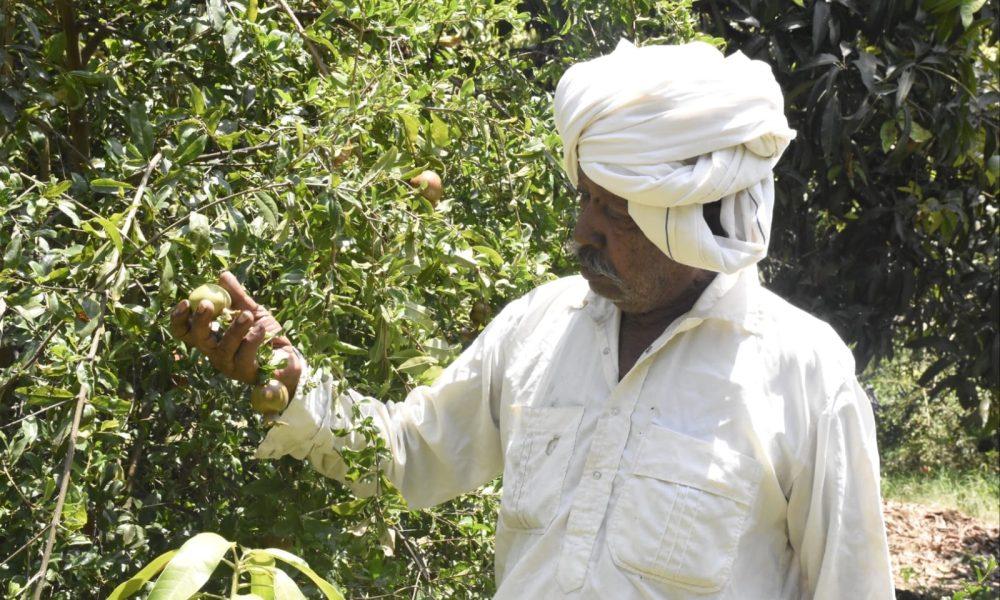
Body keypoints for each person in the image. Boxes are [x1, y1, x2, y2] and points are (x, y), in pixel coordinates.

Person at [170, 40, 894, 599]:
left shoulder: (800, 371)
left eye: (614, 211)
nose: (583, 232)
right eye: (585, 199)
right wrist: (297, 388)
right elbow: (410, 454)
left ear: (695, 220)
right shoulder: (539, 328)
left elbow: (852, 582)